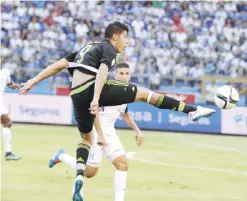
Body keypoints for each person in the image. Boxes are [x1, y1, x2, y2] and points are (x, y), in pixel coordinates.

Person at [20, 21, 215, 201]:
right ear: (115, 36)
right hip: (91, 90)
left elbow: (57, 66)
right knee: (145, 94)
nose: (127, 42)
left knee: (86, 140)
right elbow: (103, 71)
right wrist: (96, 97)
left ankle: (78, 175)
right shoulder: (109, 49)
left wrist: (32, 81)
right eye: (126, 37)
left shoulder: (84, 50)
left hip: (76, 95)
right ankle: (191, 111)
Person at [48, 62, 144, 201]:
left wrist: (137, 130)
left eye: (127, 73)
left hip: (110, 134)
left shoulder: (126, 93)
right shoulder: (104, 89)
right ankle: (61, 156)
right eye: (121, 73)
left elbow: (125, 114)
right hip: (95, 132)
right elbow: (94, 114)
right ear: (115, 74)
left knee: (122, 164)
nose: (124, 76)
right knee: (90, 172)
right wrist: (100, 135)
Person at [0, 68, 21, 161]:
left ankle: (8, 153)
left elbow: (10, 84)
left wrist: (18, 86)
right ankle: (8, 153)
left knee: (7, 123)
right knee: (7, 122)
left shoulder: (5, 72)